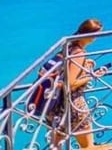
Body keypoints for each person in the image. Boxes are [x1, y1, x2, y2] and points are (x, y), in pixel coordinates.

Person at [30, 19, 104, 149]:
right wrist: (91, 76)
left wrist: (85, 65)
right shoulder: (79, 54)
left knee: (56, 144)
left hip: (56, 106)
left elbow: (66, 70)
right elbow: (70, 83)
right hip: (74, 106)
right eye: (96, 35)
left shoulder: (68, 47)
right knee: (88, 146)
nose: (96, 38)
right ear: (89, 35)